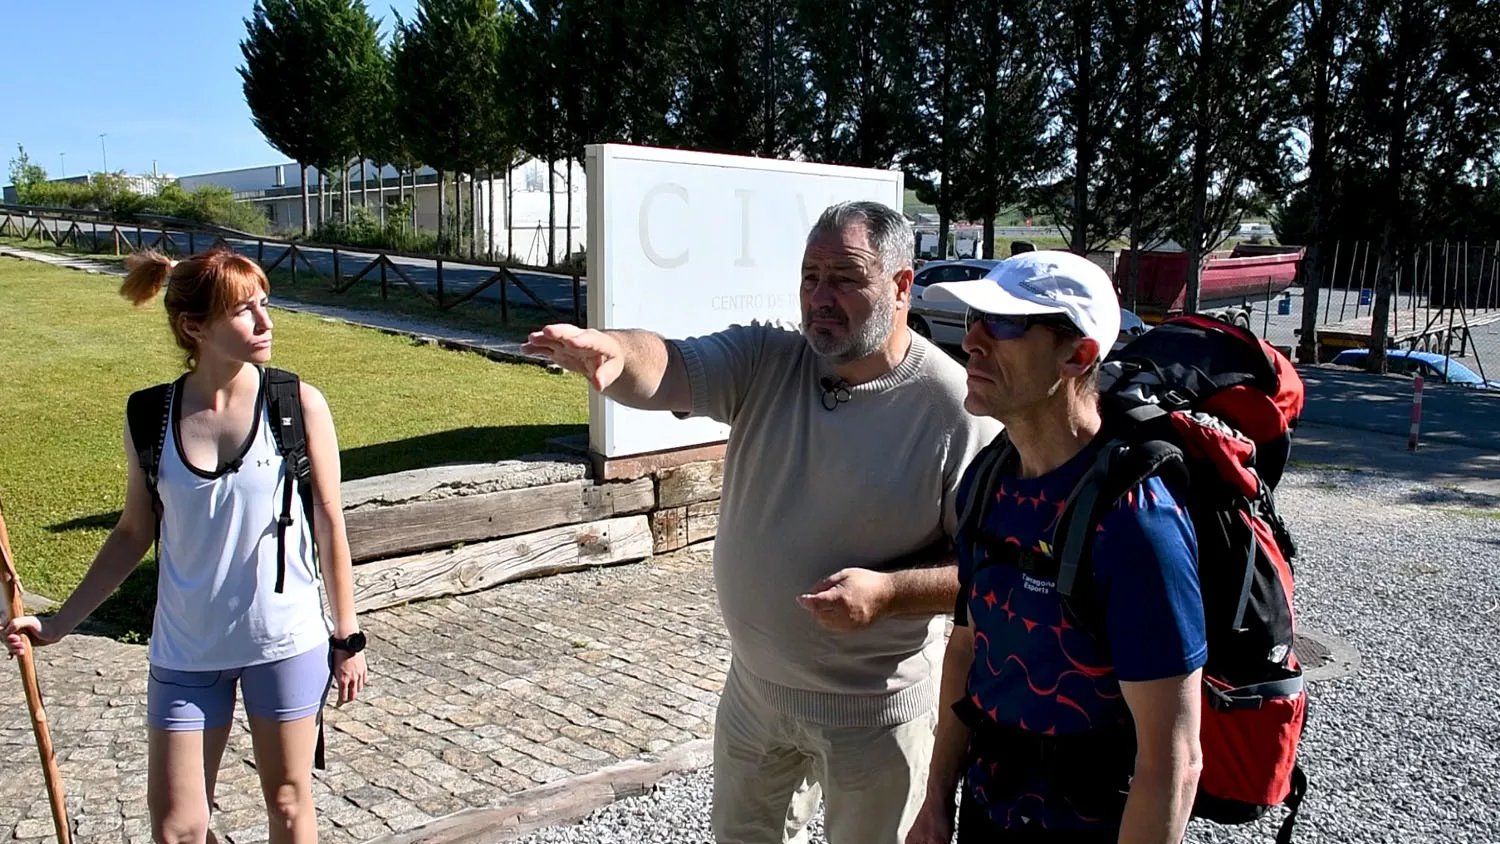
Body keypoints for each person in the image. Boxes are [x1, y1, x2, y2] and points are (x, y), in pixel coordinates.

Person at [522, 200, 999, 844]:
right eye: (809, 277)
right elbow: (668, 364)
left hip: (878, 715)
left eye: (845, 277)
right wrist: (615, 350)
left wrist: (888, 594)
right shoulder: (768, 359)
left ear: (901, 285)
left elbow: (987, 572)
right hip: (755, 696)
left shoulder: (955, 411)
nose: (820, 298)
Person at [4, 248, 368, 844]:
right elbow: (132, 531)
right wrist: (60, 623)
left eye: (265, 304)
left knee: (287, 801)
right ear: (194, 327)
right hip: (184, 652)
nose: (266, 321)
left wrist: (346, 637)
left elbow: (330, 522)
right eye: (244, 310)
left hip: (283, 642)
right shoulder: (150, 414)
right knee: (178, 826)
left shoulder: (296, 404)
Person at [907, 251, 1206, 844]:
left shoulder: (1136, 523)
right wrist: (936, 798)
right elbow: (966, 649)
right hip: (986, 814)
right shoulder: (988, 480)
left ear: (1079, 354)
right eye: (974, 318)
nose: (972, 340)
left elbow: (1173, 760)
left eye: (1007, 324)